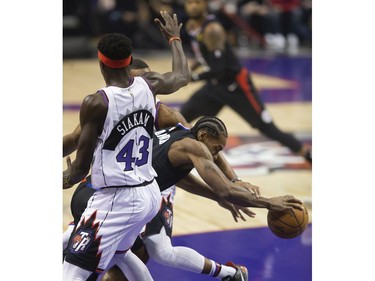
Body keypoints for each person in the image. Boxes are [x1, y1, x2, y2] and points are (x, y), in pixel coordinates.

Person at [64, 117, 304, 281]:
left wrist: (218, 196)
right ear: (203, 135)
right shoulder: (193, 146)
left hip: (100, 190)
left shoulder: (176, 131)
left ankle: (228, 274)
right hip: (116, 199)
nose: (217, 155)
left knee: (130, 253)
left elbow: (178, 177)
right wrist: (269, 203)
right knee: (102, 263)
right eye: (217, 148)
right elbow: (225, 190)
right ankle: (228, 274)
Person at [62, 11, 189, 281]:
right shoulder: (150, 84)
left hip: (117, 199)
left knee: (71, 274)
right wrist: (175, 39)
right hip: (149, 193)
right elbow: (181, 76)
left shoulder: (97, 102)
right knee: (121, 256)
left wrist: (68, 177)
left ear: (101, 64)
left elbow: (81, 166)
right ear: (129, 61)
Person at [178, 0, 311, 163]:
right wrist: (191, 69)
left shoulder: (213, 29)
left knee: (267, 127)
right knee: (182, 116)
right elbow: (203, 56)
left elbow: (219, 69)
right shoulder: (192, 25)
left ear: (205, 4)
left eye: (197, 2)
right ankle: (161, 151)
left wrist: (194, 77)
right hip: (215, 85)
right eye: (189, 2)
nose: (193, 6)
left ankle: (306, 153)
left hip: (237, 86)